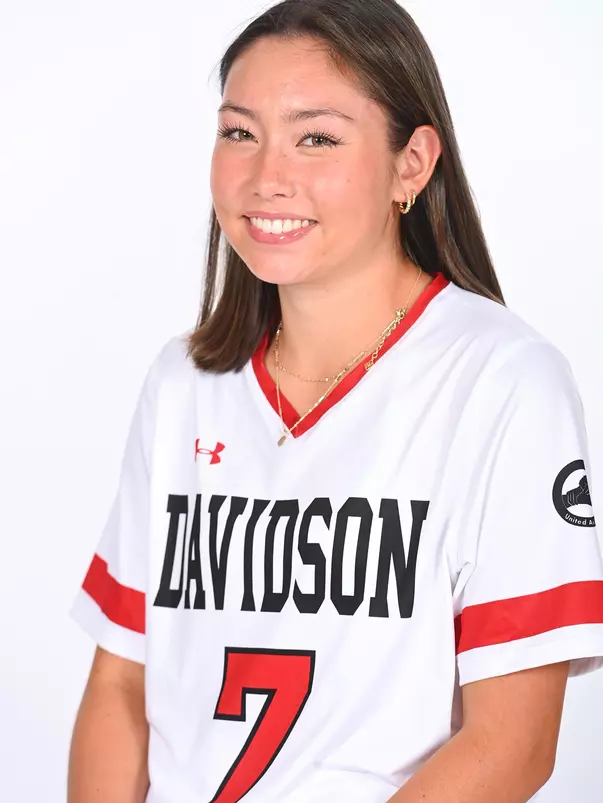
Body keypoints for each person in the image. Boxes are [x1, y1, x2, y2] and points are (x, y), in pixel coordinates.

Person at [67, 1, 603, 802]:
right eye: (239, 132)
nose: (265, 176)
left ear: (412, 163)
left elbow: (513, 741)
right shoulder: (182, 381)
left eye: (316, 137)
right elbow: (119, 686)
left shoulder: (504, 381)